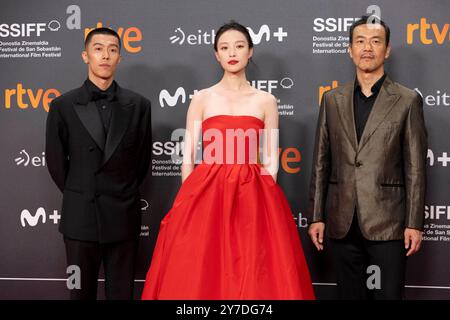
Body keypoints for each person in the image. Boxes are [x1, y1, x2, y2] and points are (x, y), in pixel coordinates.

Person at [141, 21, 314, 300]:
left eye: (239, 46)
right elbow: (189, 154)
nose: (232, 52)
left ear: (250, 52)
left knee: (253, 262)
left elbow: (271, 154)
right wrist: (189, 195)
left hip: (253, 191)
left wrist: (266, 191)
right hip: (207, 189)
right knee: (202, 263)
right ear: (216, 55)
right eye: (224, 47)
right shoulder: (202, 98)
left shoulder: (266, 100)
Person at [307, 16, 427, 300]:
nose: (367, 48)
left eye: (375, 42)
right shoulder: (332, 99)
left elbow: (415, 167)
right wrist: (316, 216)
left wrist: (414, 222)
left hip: (388, 220)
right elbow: (321, 161)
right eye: (360, 42)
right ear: (350, 50)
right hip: (341, 219)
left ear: (387, 50)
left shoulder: (407, 100)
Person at [45, 27, 152, 299]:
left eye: (113, 49)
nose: (105, 55)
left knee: (121, 294)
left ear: (119, 58)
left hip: (123, 216)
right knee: (79, 294)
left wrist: (119, 190)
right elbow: (57, 164)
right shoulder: (63, 105)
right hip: (80, 219)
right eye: (98, 48)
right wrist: (82, 191)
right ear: (85, 56)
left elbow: (141, 162)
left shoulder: (139, 105)